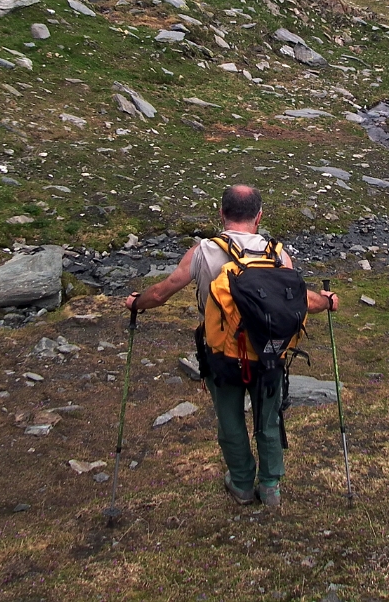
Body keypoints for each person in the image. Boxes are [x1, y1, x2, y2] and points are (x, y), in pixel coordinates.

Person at [125, 184, 339, 508]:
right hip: (269, 353)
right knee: (268, 418)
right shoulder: (278, 254)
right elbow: (298, 300)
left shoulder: (202, 252)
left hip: (221, 354)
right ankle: (270, 487)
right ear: (259, 216)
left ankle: (240, 483)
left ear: (222, 213)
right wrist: (327, 302)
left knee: (230, 419)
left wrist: (135, 304)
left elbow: (161, 292)